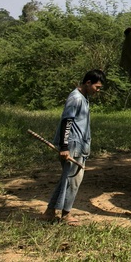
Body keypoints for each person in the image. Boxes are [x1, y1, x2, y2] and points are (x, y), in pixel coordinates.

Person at [44, 69, 106, 224]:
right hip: (72, 145)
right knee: (73, 180)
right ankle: (66, 215)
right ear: (88, 83)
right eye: (96, 87)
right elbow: (67, 121)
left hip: (79, 146)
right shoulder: (76, 98)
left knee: (67, 179)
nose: (97, 91)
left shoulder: (84, 98)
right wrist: (64, 147)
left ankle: (50, 212)